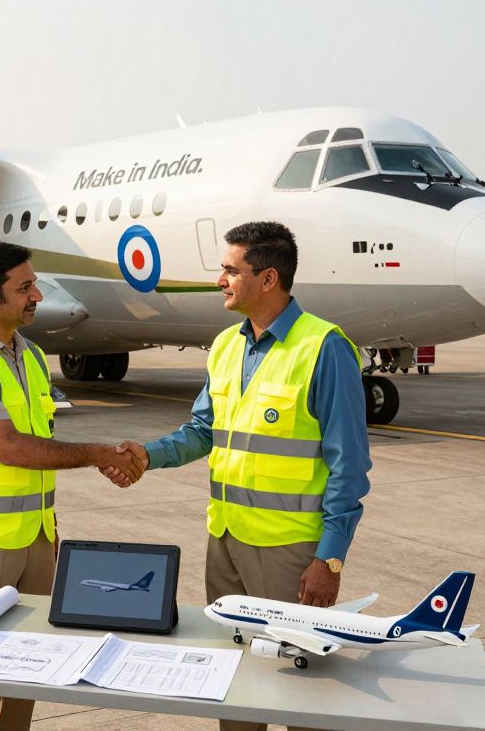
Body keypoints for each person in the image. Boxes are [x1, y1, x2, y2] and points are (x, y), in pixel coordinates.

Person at [111, 222, 370, 731]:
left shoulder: (324, 348)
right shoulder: (226, 345)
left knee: (300, 692)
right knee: (232, 683)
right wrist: (148, 454)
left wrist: (330, 560)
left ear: (268, 278)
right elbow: (202, 431)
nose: (220, 280)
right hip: (224, 542)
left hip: (290, 552)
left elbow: (350, 466)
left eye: (231, 270)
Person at [0, 240, 142, 731]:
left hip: (35, 538)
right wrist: (98, 455)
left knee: (25, 672)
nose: (37, 295)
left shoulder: (32, 357)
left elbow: (37, 452)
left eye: (34, 284)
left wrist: (50, 530)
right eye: (24, 287)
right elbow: (13, 448)